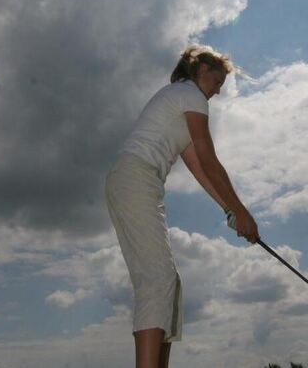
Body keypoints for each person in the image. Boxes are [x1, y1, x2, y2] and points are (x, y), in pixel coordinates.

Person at [104, 44, 260, 368]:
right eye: (217, 82)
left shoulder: (182, 101)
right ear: (201, 71)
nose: (217, 92)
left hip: (138, 182)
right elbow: (209, 159)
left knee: (169, 285)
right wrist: (242, 211)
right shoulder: (190, 95)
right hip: (136, 178)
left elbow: (198, 168)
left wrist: (230, 211)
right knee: (158, 280)